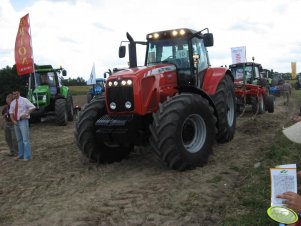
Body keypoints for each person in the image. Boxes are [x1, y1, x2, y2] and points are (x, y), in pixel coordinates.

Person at [9, 88, 36, 161]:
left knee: (25, 140)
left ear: (19, 93)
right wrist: (13, 120)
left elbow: (33, 107)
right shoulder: (13, 103)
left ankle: (27, 156)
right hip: (16, 122)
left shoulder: (24, 100)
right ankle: (21, 155)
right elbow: (11, 113)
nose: (15, 95)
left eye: (16, 93)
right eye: (14, 94)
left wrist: (27, 114)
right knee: (19, 140)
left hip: (23, 121)